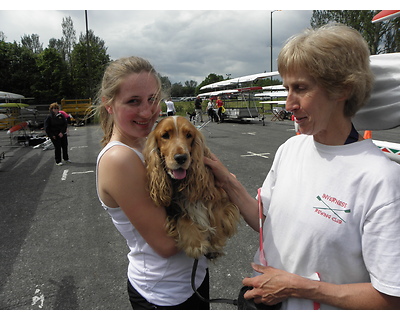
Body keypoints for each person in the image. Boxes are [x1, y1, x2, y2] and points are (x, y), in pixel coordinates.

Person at [204, 24, 400, 309]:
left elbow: (391, 298)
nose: (289, 103)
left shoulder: (381, 179)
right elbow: (267, 223)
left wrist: (298, 287)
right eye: (287, 88)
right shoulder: (290, 149)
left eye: (301, 88)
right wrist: (227, 181)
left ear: (343, 89)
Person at [96, 56, 209, 310]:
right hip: (163, 294)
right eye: (133, 101)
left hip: (193, 277)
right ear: (109, 104)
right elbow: (167, 245)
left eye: (152, 99)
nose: (147, 112)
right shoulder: (119, 159)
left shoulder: (146, 142)